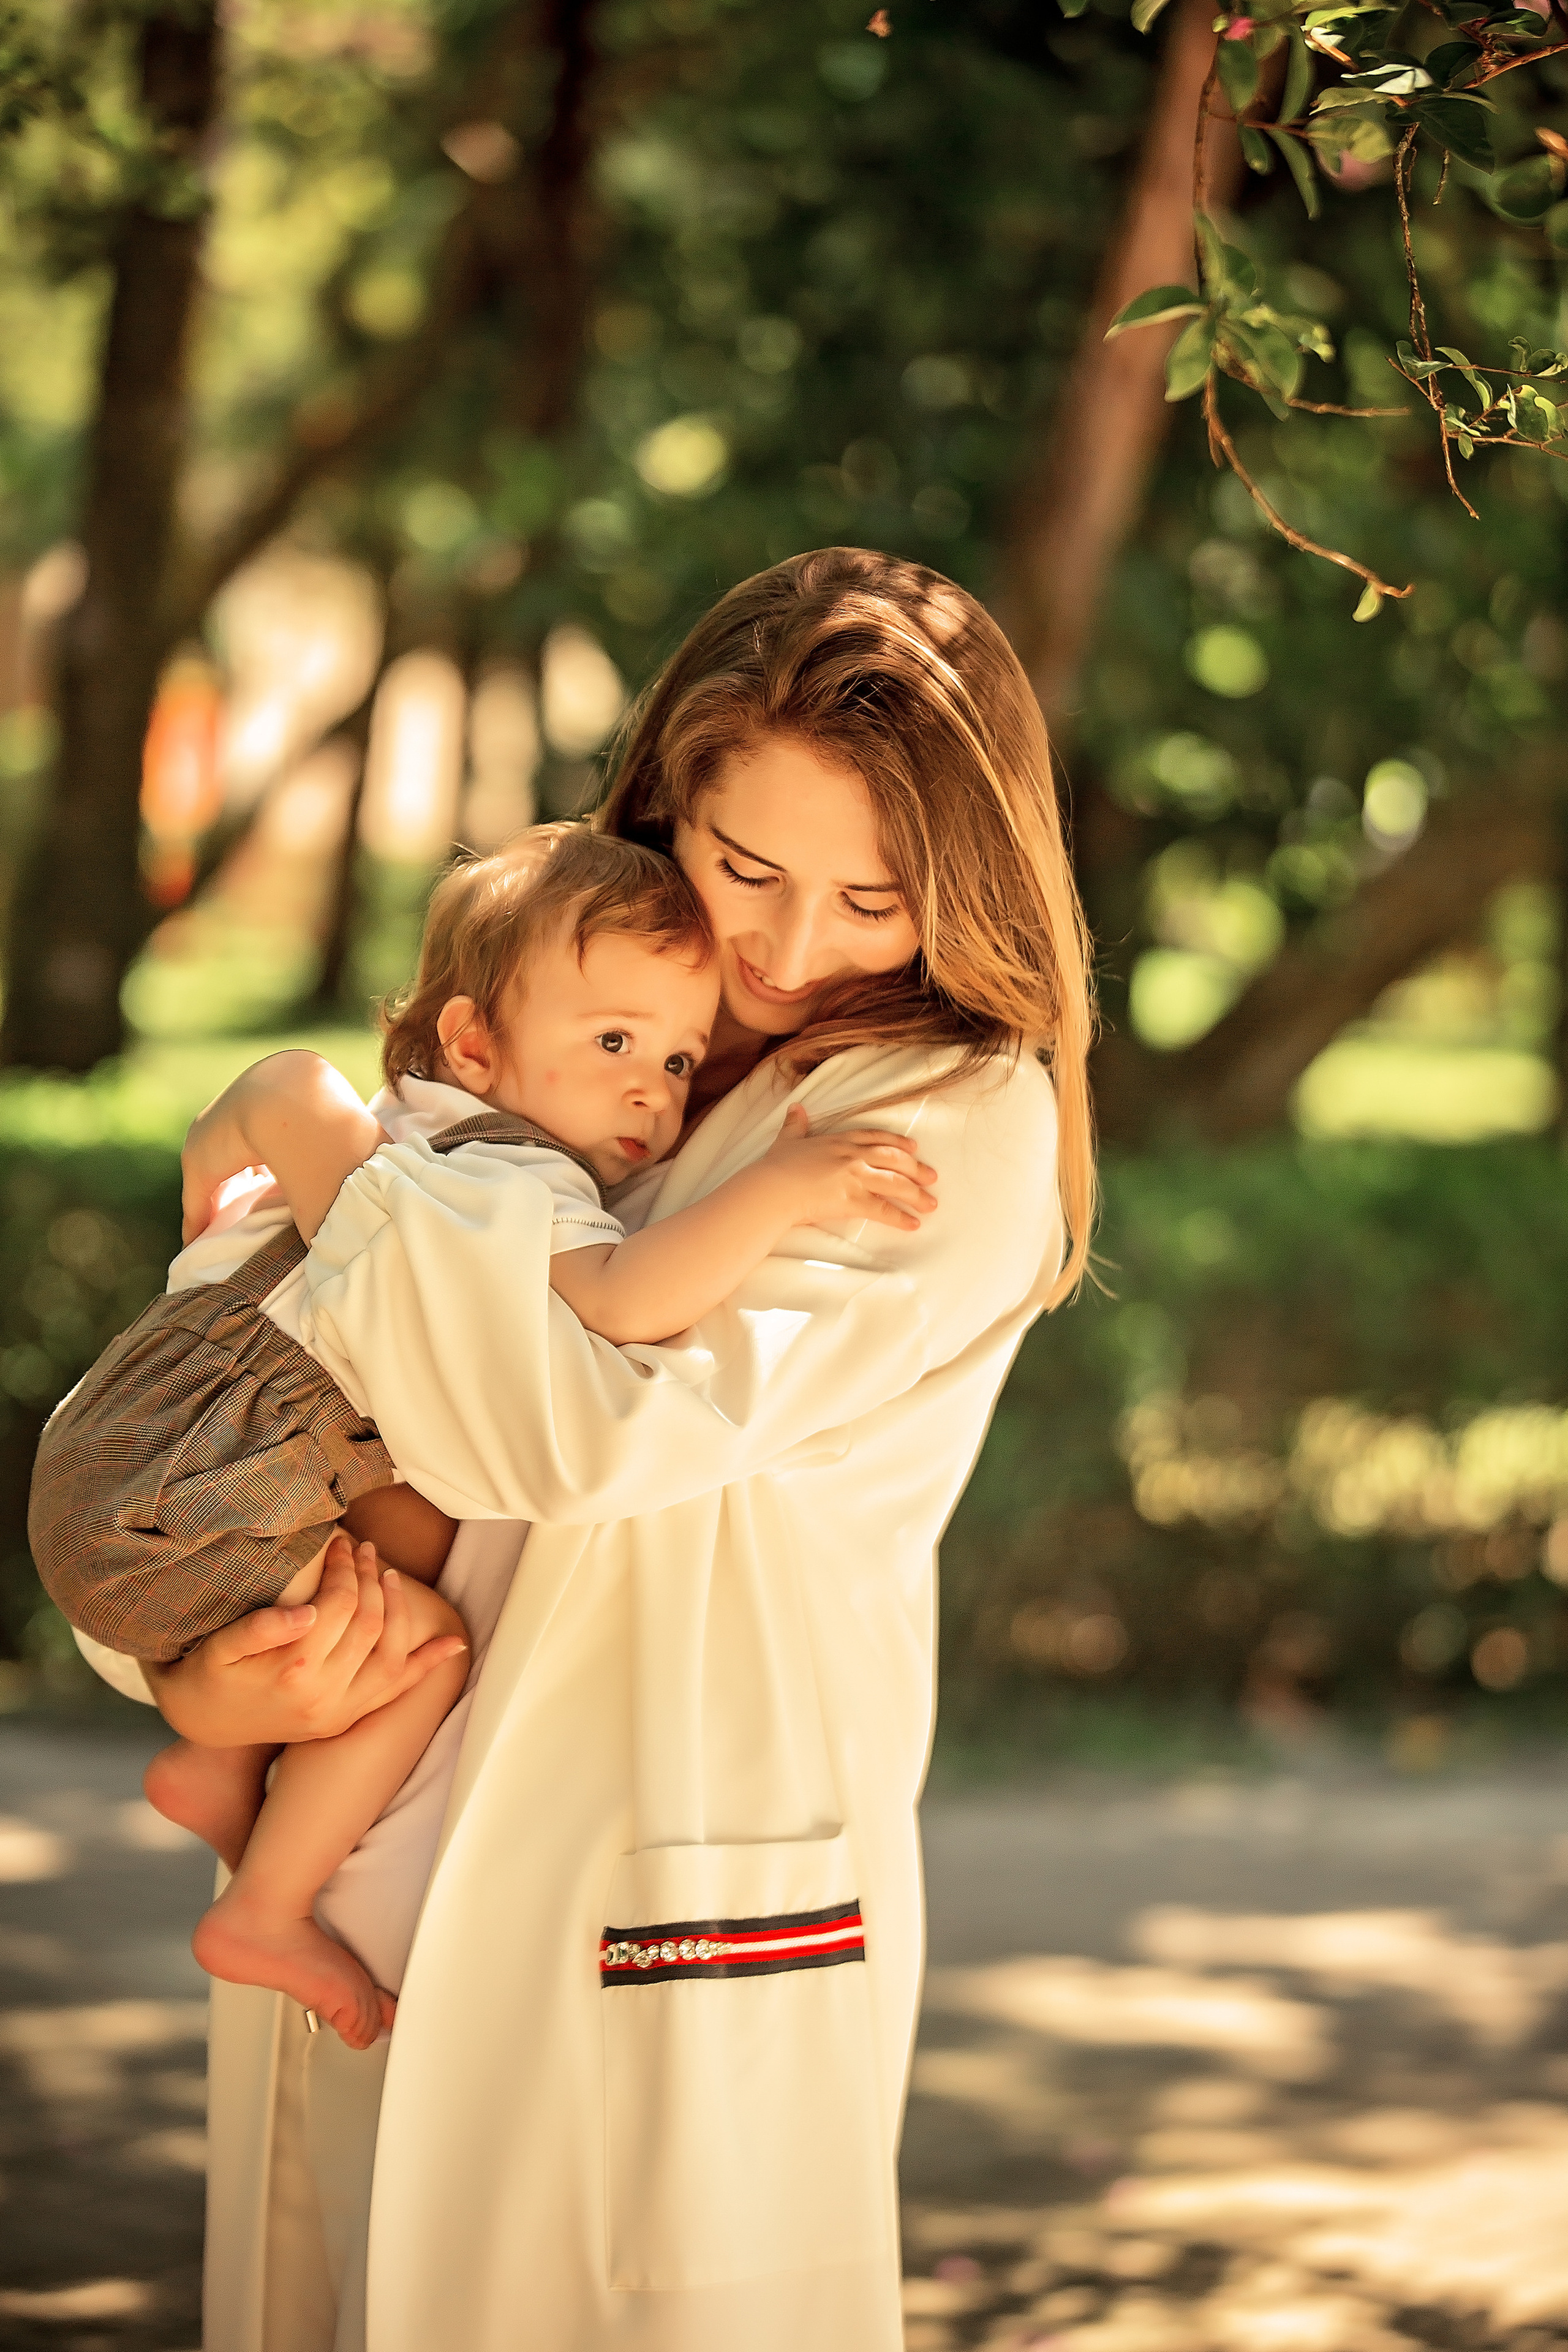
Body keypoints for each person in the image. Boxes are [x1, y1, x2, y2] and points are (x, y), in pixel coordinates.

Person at [85, 549, 1095, 2352]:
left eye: (874, 897)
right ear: (664, 809)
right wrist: (189, 1655)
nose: (787, 955)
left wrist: (317, 1135)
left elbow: (570, 1429)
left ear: (968, 880)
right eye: (746, 868)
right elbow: (236, 1379)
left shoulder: (951, 1114)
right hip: (372, 1846)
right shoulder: (586, 995)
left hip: (659, 1900)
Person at [34, 825, 933, 2049]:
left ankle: (221, 1769)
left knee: (394, 1543)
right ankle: (266, 1903)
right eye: (612, 1041)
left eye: (677, 1059)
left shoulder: (405, 1134)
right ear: (472, 1043)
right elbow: (622, 1300)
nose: (649, 1089)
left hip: (112, 1453)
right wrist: (783, 1186)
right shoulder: (509, 1181)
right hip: (189, 1496)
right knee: (423, 1650)